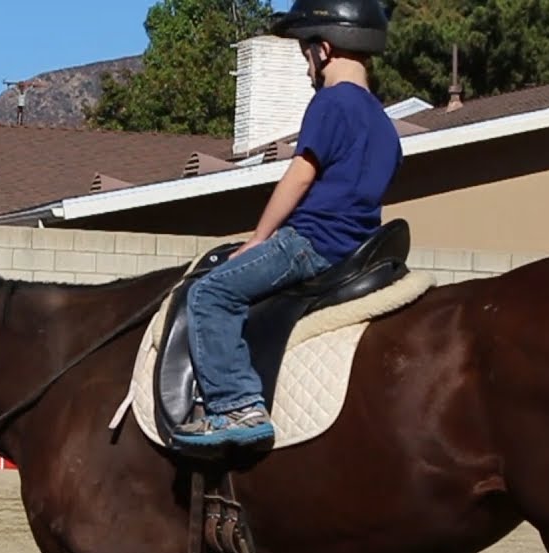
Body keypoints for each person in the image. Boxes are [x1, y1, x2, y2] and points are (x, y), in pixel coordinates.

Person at [171, 0, 403, 449]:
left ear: (324, 49)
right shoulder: (383, 122)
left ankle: (237, 407)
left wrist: (260, 238)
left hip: (310, 243)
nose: (305, 68)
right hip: (357, 247)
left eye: (305, 55)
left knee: (210, 293)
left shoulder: (331, 102)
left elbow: (300, 174)